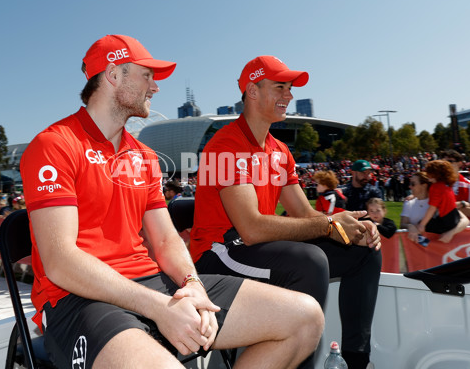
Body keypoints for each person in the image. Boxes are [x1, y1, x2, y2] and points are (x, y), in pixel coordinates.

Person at [19, 35, 323, 369]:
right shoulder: (54, 145)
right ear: (113, 75)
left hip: (152, 286)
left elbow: (165, 240)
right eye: (147, 75)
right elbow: (60, 262)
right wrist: (159, 308)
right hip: (79, 300)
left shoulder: (144, 156)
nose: (156, 87)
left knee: (306, 318)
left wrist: (193, 286)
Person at [190, 55, 381, 369]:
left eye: (289, 88)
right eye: (280, 87)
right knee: (309, 261)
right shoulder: (225, 146)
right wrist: (328, 224)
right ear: (253, 91)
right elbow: (250, 228)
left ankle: (357, 362)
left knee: (364, 251)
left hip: (252, 248)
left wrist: (350, 225)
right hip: (218, 253)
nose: (289, 96)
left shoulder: (279, 151)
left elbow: (304, 213)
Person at [418, 160, 470, 243]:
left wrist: (422, 225)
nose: (427, 175)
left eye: (429, 173)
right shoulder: (447, 186)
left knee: (421, 228)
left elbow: (432, 208)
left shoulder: (435, 187)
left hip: (446, 222)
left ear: (435, 174)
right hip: (454, 218)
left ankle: (424, 246)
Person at [441, 150, 470, 224]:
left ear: (459, 163)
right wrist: (463, 205)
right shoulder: (435, 185)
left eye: (450, 161)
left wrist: (446, 208)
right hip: (443, 231)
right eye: (443, 162)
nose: (446, 165)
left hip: (467, 232)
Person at [400, 171, 431, 242]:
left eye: (413, 184)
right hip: (414, 246)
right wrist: (410, 226)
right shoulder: (409, 203)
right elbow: (402, 224)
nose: (410, 186)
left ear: (424, 185)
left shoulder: (434, 204)